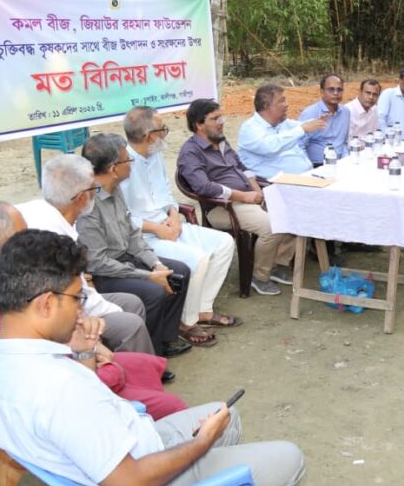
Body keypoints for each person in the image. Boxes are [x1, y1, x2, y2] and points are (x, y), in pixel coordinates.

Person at [0, 230, 305, 486]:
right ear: (45, 304)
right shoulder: (57, 389)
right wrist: (200, 445)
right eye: (77, 297)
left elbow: (81, 425)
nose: (82, 308)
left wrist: (84, 353)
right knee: (289, 460)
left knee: (228, 418)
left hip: (116, 466)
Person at [0, 201, 185, 417]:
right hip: (32, 399)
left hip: (37, 376)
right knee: (170, 405)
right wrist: (92, 352)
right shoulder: (7, 308)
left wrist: (89, 344)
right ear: (5, 247)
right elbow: (64, 381)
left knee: (138, 365)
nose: (32, 241)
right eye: (24, 235)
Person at [17, 154, 170, 357]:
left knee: (133, 303)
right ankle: (127, 370)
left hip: (73, 299)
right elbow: (76, 296)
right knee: (130, 323)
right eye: (93, 189)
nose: (96, 193)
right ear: (81, 198)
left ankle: (135, 362)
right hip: (59, 314)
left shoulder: (43, 211)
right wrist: (114, 312)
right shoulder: (52, 237)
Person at [77, 133, 203, 353]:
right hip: (107, 273)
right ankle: (151, 353)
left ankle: (165, 338)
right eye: (127, 160)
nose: (131, 163)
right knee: (153, 291)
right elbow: (97, 263)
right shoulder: (89, 206)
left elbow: (133, 235)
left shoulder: (114, 189)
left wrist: (155, 264)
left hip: (127, 259)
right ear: (113, 168)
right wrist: (148, 276)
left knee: (178, 272)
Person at [119, 106, 240, 332]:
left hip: (169, 225)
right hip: (143, 237)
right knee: (198, 259)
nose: (166, 133)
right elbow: (122, 217)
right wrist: (156, 229)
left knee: (224, 243)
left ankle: (202, 309)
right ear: (148, 136)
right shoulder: (122, 164)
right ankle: (186, 322)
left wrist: (174, 216)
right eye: (162, 128)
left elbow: (165, 191)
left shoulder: (154, 155)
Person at [178, 98, 296, 296]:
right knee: (272, 226)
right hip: (222, 207)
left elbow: (242, 168)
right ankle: (259, 277)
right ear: (199, 125)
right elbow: (203, 187)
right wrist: (244, 196)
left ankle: (276, 264)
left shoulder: (220, 142)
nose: (222, 121)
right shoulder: (190, 152)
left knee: (292, 214)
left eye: (221, 116)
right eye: (215, 118)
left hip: (247, 197)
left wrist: (257, 190)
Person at [237, 84, 325, 180]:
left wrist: (317, 122)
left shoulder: (282, 123)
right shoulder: (250, 128)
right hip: (275, 186)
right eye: (282, 101)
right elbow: (270, 147)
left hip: (304, 178)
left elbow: (302, 125)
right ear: (267, 106)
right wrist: (302, 129)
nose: (286, 104)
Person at [298, 74, 350, 165]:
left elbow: (343, 141)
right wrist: (308, 167)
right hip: (318, 164)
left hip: (342, 162)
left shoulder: (346, 112)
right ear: (322, 91)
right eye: (331, 89)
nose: (335, 93)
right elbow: (299, 145)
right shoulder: (310, 113)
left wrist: (347, 159)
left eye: (339, 89)